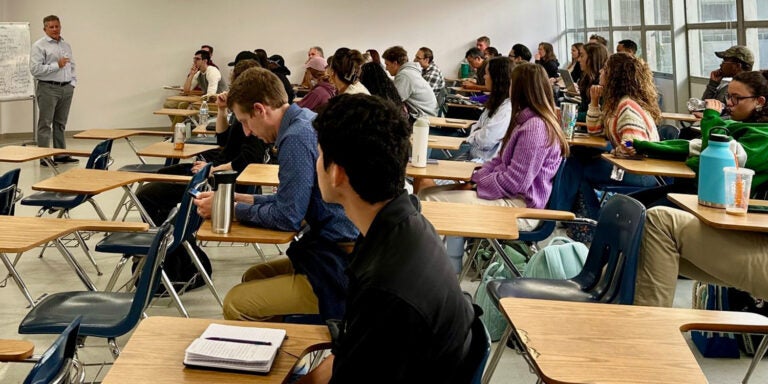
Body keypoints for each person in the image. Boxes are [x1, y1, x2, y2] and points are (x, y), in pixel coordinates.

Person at [293, 94, 476, 384]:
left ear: (337, 173)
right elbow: (348, 354)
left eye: (319, 154)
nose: (316, 163)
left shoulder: (386, 290)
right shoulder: (405, 223)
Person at [193, 67, 359, 322]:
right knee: (254, 277)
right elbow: (293, 199)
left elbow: (288, 217)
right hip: (337, 249)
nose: (247, 132)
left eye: (245, 121)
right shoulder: (304, 120)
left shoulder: (295, 137)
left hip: (341, 262)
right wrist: (243, 199)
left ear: (260, 109)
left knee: (237, 303)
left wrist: (230, 210)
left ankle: (288, 359)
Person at [634, 72, 768, 307]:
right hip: (750, 235)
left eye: (737, 99)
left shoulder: (759, 138)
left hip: (758, 247)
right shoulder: (742, 129)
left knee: (657, 221)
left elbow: (715, 163)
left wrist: (711, 121)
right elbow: (698, 152)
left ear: (760, 102)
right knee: (638, 242)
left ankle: (647, 333)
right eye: (729, 97)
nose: (730, 104)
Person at [419, 63, 569, 271]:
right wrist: (476, 179)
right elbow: (498, 162)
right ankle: (446, 268)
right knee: (428, 193)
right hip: (512, 198)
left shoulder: (535, 127)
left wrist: (477, 184)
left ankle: (432, 271)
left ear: (519, 89)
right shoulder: (526, 121)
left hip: (522, 209)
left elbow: (516, 181)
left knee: (428, 200)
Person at [137, 58, 269, 226]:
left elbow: (247, 160)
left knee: (146, 194)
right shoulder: (242, 110)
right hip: (217, 172)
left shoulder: (254, 117)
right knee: (162, 174)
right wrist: (222, 110)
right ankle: (169, 234)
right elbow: (222, 138)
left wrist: (212, 169)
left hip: (223, 180)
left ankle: (168, 244)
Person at [562, 52, 661, 220]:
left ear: (614, 76)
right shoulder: (618, 103)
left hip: (641, 173)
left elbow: (633, 145)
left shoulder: (627, 107)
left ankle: (589, 220)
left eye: (605, 69)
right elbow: (595, 131)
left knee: (577, 169)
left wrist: (614, 153)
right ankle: (576, 217)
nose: (601, 71)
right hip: (630, 167)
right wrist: (594, 102)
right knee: (575, 161)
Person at [30, 15, 79, 165]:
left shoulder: (66, 45)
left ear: (60, 27)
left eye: (57, 26)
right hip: (48, 88)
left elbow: (72, 65)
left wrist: (72, 83)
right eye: (51, 27)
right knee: (45, 123)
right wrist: (56, 65)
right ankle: (44, 157)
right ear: (45, 29)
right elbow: (35, 70)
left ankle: (60, 155)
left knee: (60, 124)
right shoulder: (39, 46)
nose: (54, 29)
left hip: (66, 88)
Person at [383, 46, 438, 120]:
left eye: (387, 64)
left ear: (395, 63)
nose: (386, 68)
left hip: (424, 119)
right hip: (426, 114)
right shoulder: (408, 71)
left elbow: (393, 101)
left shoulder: (404, 75)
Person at [576, 42, 609, 121]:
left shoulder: (602, 83)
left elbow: (599, 114)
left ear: (592, 59)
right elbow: (583, 108)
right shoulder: (586, 78)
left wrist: (572, 115)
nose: (578, 59)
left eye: (582, 56)